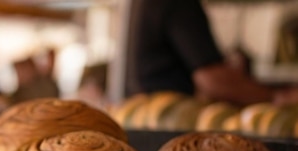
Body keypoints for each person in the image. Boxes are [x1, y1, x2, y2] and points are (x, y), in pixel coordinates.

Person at [125, 0, 298, 106]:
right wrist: (277, 97)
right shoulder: (178, 2)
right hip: (167, 120)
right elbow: (211, 79)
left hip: (148, 115)